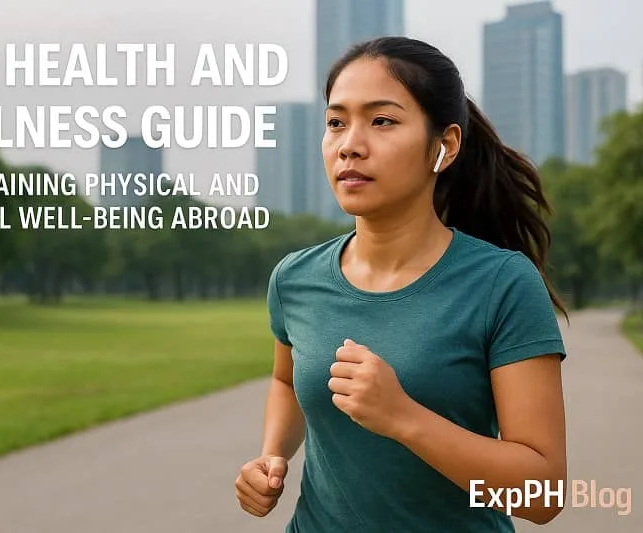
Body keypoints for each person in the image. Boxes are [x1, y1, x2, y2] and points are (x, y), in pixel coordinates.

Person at [234, 36, 568, 532]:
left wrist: (404, 418)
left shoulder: (502, 283)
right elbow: (286, 380)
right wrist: (271, 455)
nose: (350, 144)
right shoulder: (294, 279)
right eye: (335, 122)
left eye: (382, 120)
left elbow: (543, 495)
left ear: (445, 146)